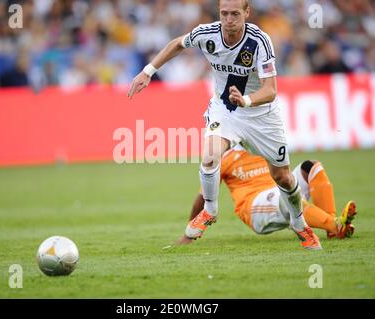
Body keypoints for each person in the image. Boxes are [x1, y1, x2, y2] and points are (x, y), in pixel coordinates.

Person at [127, 0, 321, 249]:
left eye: (235, 14)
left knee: (282, 176)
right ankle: (210, 211)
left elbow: (271, 90)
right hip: (226, 109)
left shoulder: (259, 41)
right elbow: (176, 44)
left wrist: (246, 99)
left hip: (261, 115)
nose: (229, 19)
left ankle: (299, 222)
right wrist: (148, 71)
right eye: (224, 14)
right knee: (209, 157)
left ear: (247, 13)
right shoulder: (206, 34)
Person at [177, 144, 357, 247]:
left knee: (311, 167)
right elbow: (203, 197)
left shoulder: (262, 144)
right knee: (285, 196)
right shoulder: (224, 157)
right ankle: (336, 226)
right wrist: (190, 232)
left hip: (275, 192)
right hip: (254, 208)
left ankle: (331, 228)